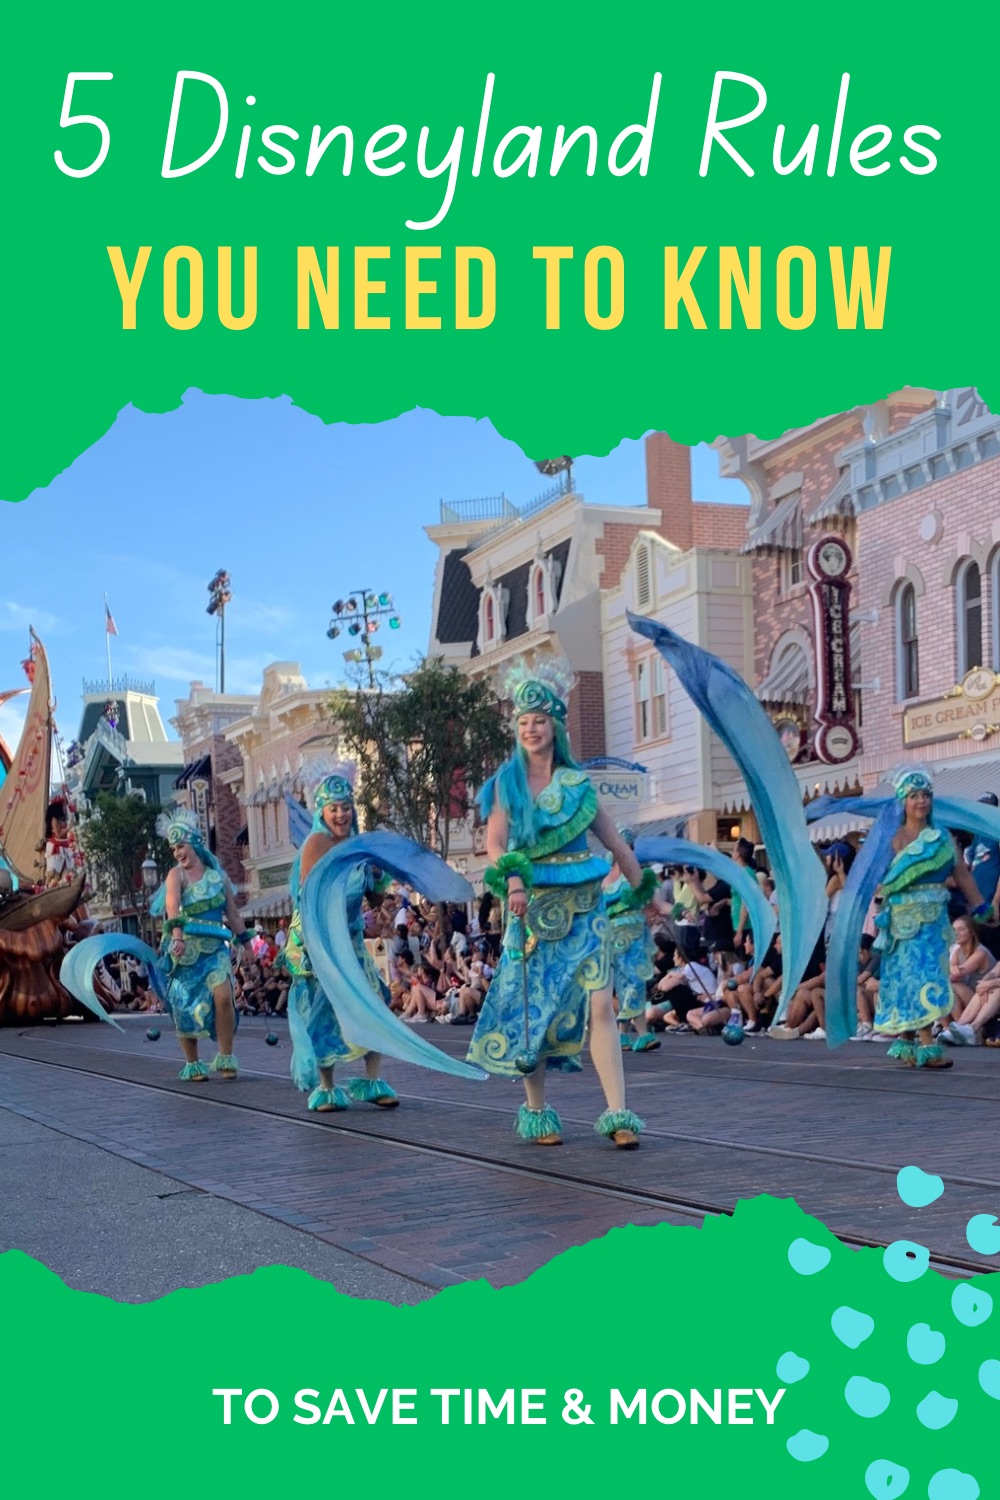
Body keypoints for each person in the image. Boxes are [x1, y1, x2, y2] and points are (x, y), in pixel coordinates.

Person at [467, 660, 651, 1148]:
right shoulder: (506, 786)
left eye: (540, 721)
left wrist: (644, 890)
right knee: (537, 1009)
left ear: (556, 727)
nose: (531, 729)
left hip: (586, 904)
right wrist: (514, 883)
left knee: (601, 1006)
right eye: (523, 722)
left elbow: (612, 840)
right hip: (531, 906)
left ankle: (618, 1113)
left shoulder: (577, 785)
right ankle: (536, 1111)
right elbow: (496, 844)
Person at [284, 769, 401, 1113]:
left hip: (350, 937)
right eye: (333, 808)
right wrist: (316, 946)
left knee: (372, 1001)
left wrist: (378, 878)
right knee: (325, 1006)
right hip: (319, 935)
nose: (341, 814)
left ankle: (372, 1079)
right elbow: (309, 895)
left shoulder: (359, 846)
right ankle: (327, 1087)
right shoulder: (316, 844)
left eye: (346, 807)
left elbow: (374, 900)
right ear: (321, 812)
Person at [871, 768, 990, 1069]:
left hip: (935, 919)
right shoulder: (892, 836)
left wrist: (980, 907)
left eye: (925, 795)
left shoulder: (942, 837)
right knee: (906, 979)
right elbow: (874, 879)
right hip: (901, 922)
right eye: (914, 796)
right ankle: (921, 1043)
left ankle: (915, 1043)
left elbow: (962, 875)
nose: (921, 801)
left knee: (929, 976)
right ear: (903, 801)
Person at [156, 807, 249, 1081]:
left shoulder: (217, 876)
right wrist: (177, 937)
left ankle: (226, 1056)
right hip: (186, 949)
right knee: (184, 1004)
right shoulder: (177, 875)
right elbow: (172, 906)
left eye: (181, 846)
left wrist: (246, 943)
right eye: (173, 849)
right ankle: (193, 1062)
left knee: (223, 997)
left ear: (194, 843)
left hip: (216, 949)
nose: (177, 853)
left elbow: (232, 914)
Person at [604, 836, 660, 1054]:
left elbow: (651, 900)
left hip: (636, 933)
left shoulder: (637, 873)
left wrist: (656, 910)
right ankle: (627, 1034)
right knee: (625, 982)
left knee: (635, 981)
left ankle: (638, 1034)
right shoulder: (603, 875)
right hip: (612, 936)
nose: (627, 850)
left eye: (630, 846)